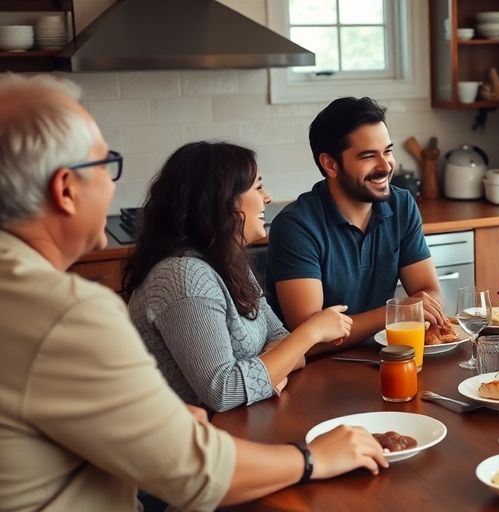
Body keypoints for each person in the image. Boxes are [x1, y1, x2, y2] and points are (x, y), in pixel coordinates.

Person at [0, 74, 386, 511]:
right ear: (66, 189)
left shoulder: (23, 293)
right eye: (105, 165)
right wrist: (315, 458)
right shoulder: (72, 312)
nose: (111, 185)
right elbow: (198, 470)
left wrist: (164, 421)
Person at [122, 141, 353, 412]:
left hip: (234, 427)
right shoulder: (183, 276)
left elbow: (281, 339)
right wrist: (311, 332)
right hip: (184, 444)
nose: (267, 197)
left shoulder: (228, 262)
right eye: (258, 187)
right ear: (223, 201)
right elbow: (223, 392)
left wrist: (272, 370)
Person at [266, 96, 445, 346]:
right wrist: (395, 313)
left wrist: (414, 307)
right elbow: (308, 338)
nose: (386, 166)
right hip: (319, 371)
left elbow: (428, 293)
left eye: (388, 151)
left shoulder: (402, 204)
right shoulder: (296, 226)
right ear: (330, 164)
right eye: (369, 156)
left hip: (387, 355)